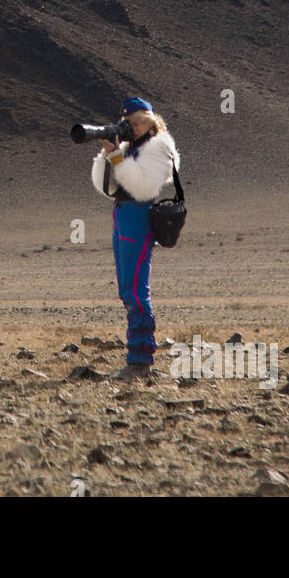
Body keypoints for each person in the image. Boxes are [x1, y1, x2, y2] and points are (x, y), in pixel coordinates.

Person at [89, 97, 180, 383]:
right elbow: (107, 186)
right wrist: (109, 153)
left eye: (141, 122)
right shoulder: (132, 146)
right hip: (122, 215)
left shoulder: (159, 147)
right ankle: (136, 359)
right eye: (131, 123)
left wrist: (117, 157)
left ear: (152, 121)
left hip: (138, 218)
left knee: (137, 293)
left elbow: (142, 187)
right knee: (127, 291)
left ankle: (140, 362)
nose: (136, 127)